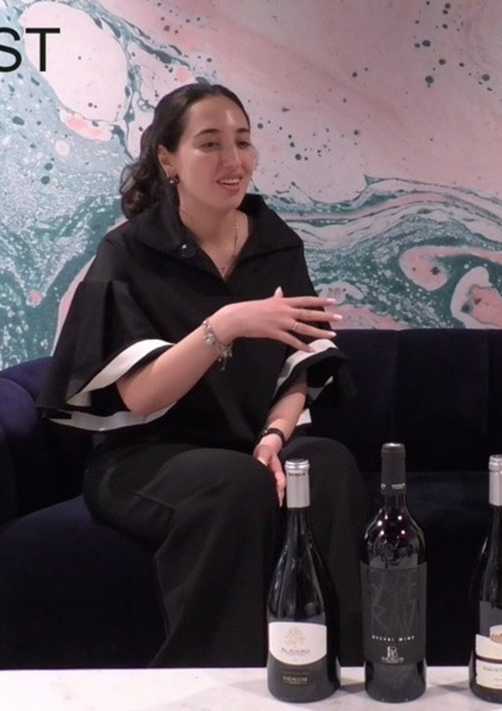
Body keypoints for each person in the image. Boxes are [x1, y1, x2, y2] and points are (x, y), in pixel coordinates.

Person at [36, 81, 368, 667]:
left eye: (242, 141)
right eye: (209, 143)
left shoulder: (275, 245)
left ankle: (334, 670)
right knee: (234, 484)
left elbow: (301, 368)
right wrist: (226, 324)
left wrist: (274, 438)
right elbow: (140, 395)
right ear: (168, 160)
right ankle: (213, 685)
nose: (233, 160)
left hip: (251, 445)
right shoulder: (128, 253)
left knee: (327, 465)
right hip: (145, 458)